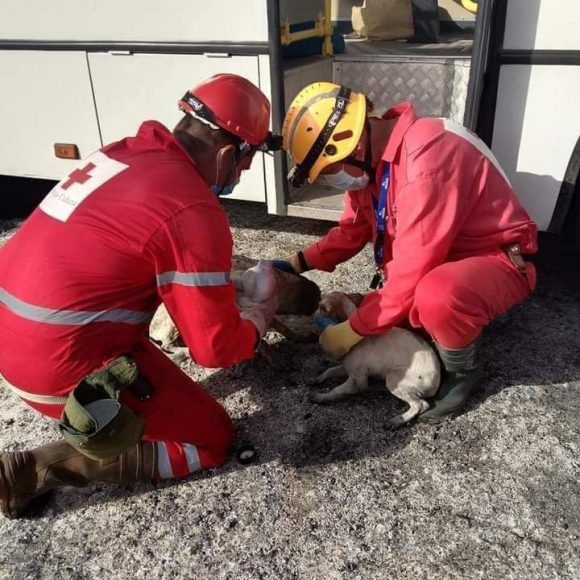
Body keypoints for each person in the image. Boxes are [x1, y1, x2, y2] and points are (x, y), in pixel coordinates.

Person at [0, 74, 278, 519]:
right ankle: (41, 469)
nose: (240, 175)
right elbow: (215, 348)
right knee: (211, 439)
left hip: (13, 334)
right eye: (243, 165)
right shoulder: (192, 208)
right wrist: (260, 319)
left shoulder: (122, 153)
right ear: (229, 153)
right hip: (56, 366)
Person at [276, 82, 537, 424]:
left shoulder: (427, 159)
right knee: (377, 311)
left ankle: (461, 374)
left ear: (351, 142)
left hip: (496, 261)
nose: (333, 179)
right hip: (442, 260)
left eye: (329, 169)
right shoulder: (372, 166)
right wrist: (298, 262)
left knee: (434, 296)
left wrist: (353, 329)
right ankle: (431, 328)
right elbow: (351, 230)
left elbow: (412, 270)